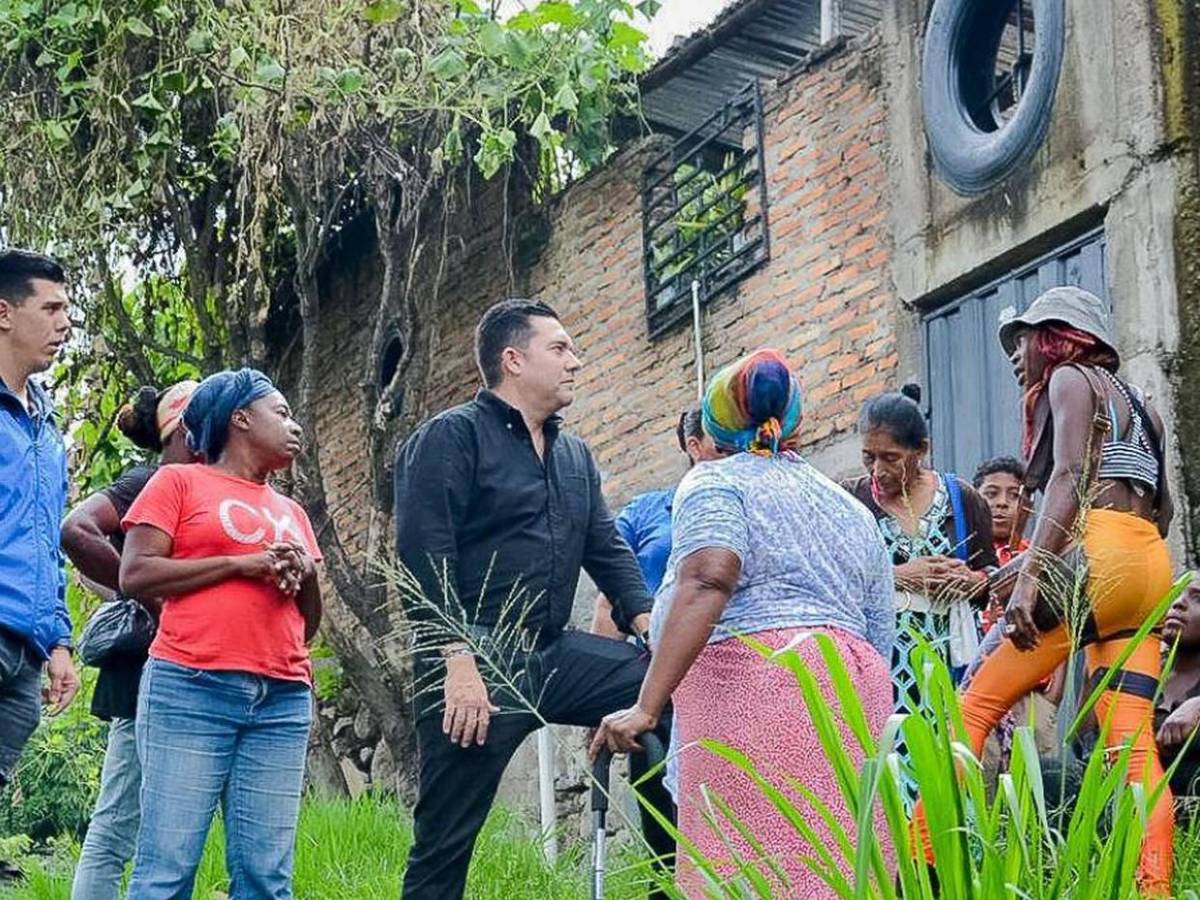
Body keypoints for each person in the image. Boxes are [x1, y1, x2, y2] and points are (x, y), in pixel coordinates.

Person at [393, 298, 673, 900]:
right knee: (445, 839)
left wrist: (650, 624)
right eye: (561, 348)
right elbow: (424, 556)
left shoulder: (574, 455)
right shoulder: (451, 438)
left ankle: (666, 882)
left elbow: (607, 551)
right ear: (513, 360)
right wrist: (457, 662)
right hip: (475, 662)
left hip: (554, 654)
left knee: (663, 692)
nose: (576, 360)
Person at [590, 348, 896, 898]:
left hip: (755, 692)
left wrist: (647, 705)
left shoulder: (714, 483)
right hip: (854, 696)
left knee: (751, 873)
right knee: (838, 869)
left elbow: (709, 577)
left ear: (716, 424)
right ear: (795, 422)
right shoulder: (848, 506)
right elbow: (878, 630)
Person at [943, 286, 1176, 894]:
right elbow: (1166, 510)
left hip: (1100, 556)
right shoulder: (1141, 404)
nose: (1016, 355)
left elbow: (1069, 477)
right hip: (1149, 567)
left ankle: (927, 865)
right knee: (1131, 746)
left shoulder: (1071, 379)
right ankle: (1156, 886)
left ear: (1059, 338)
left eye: (1022, 340)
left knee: (975, 704)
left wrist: (1033, 580)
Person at [119, 369, 322, 899]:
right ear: (241, 418)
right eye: (281, 412)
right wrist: (240, 564)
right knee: (168, 869)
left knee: (266, 877)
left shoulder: (292, 512)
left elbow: (307, 623)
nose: (294, 425)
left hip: (281, 698)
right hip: (190, 687)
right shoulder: (177, 482)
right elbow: (135, 573)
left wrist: (306, 573)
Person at [61, 381, 199, 900]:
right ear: (186, 426)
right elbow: (77, 530)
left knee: (159, 827)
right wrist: (152, 601)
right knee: (119, 821)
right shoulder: (150, 481)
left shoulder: (204, 490)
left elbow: (110, 575)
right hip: (146, 676)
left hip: (186, 668)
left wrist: (129, 589)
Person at [845, 387, 996, 778]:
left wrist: (972, 581)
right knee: (888, 773)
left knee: (949, 772)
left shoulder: (962, 498)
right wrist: (898, 576)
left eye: (890, 458)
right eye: (869, 457)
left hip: (948, 667)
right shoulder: (850, 502)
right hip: (879, 667)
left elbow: (993, 579)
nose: (878, 470)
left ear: (921, 449)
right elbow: (830, 580)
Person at [0, 249, 79, 800]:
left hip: (24, 654)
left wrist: (59, 643)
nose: (64, 323)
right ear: (4, 313)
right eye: (50, 308)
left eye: (66, 309)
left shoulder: (46, 432)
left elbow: (47, 545)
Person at [590, 405, 720, 636]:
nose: (733, 448)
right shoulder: (645, 510)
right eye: (720, 440)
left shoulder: (752, 505)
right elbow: (611, 595)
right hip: (654, 651)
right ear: (694, 447)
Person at [1157, 579, 1200, 803]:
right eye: (1173, 595)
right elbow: (1082, 745)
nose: (1178, 603)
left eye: (1197, 598)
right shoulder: (1142, 676)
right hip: (1133, 805)